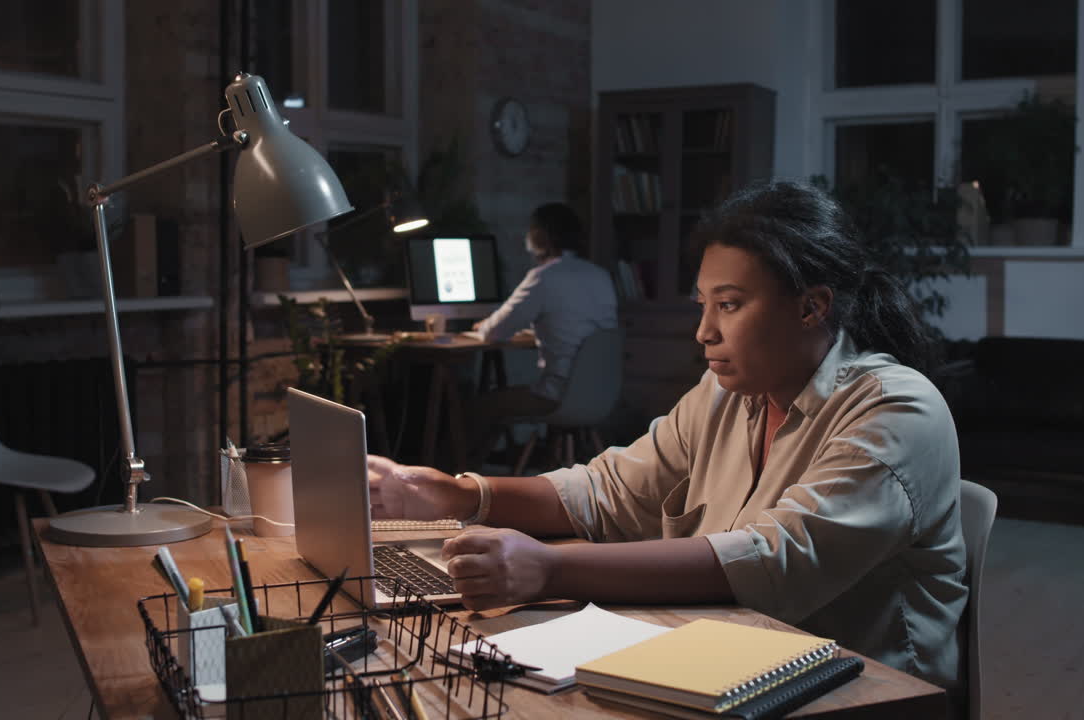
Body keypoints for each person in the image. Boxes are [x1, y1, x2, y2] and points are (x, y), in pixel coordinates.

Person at [368, 180, 968, 693]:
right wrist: (456, 495)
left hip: (856, 688)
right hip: (726, 654)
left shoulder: (896, 410)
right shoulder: (730, 394)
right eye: (703, 304)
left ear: (812, 307)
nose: (704, 331)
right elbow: (609, 490)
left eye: (729, 305)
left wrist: (552, 569)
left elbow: (777, 563)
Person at [468, 203, 617, 435]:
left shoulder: (543, 277)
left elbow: (495, 331)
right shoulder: (600, 275)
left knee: (478, 406)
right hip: (601, 394)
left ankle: (465, 470)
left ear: (541, 235)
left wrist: (482, 325)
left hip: (558, 395)